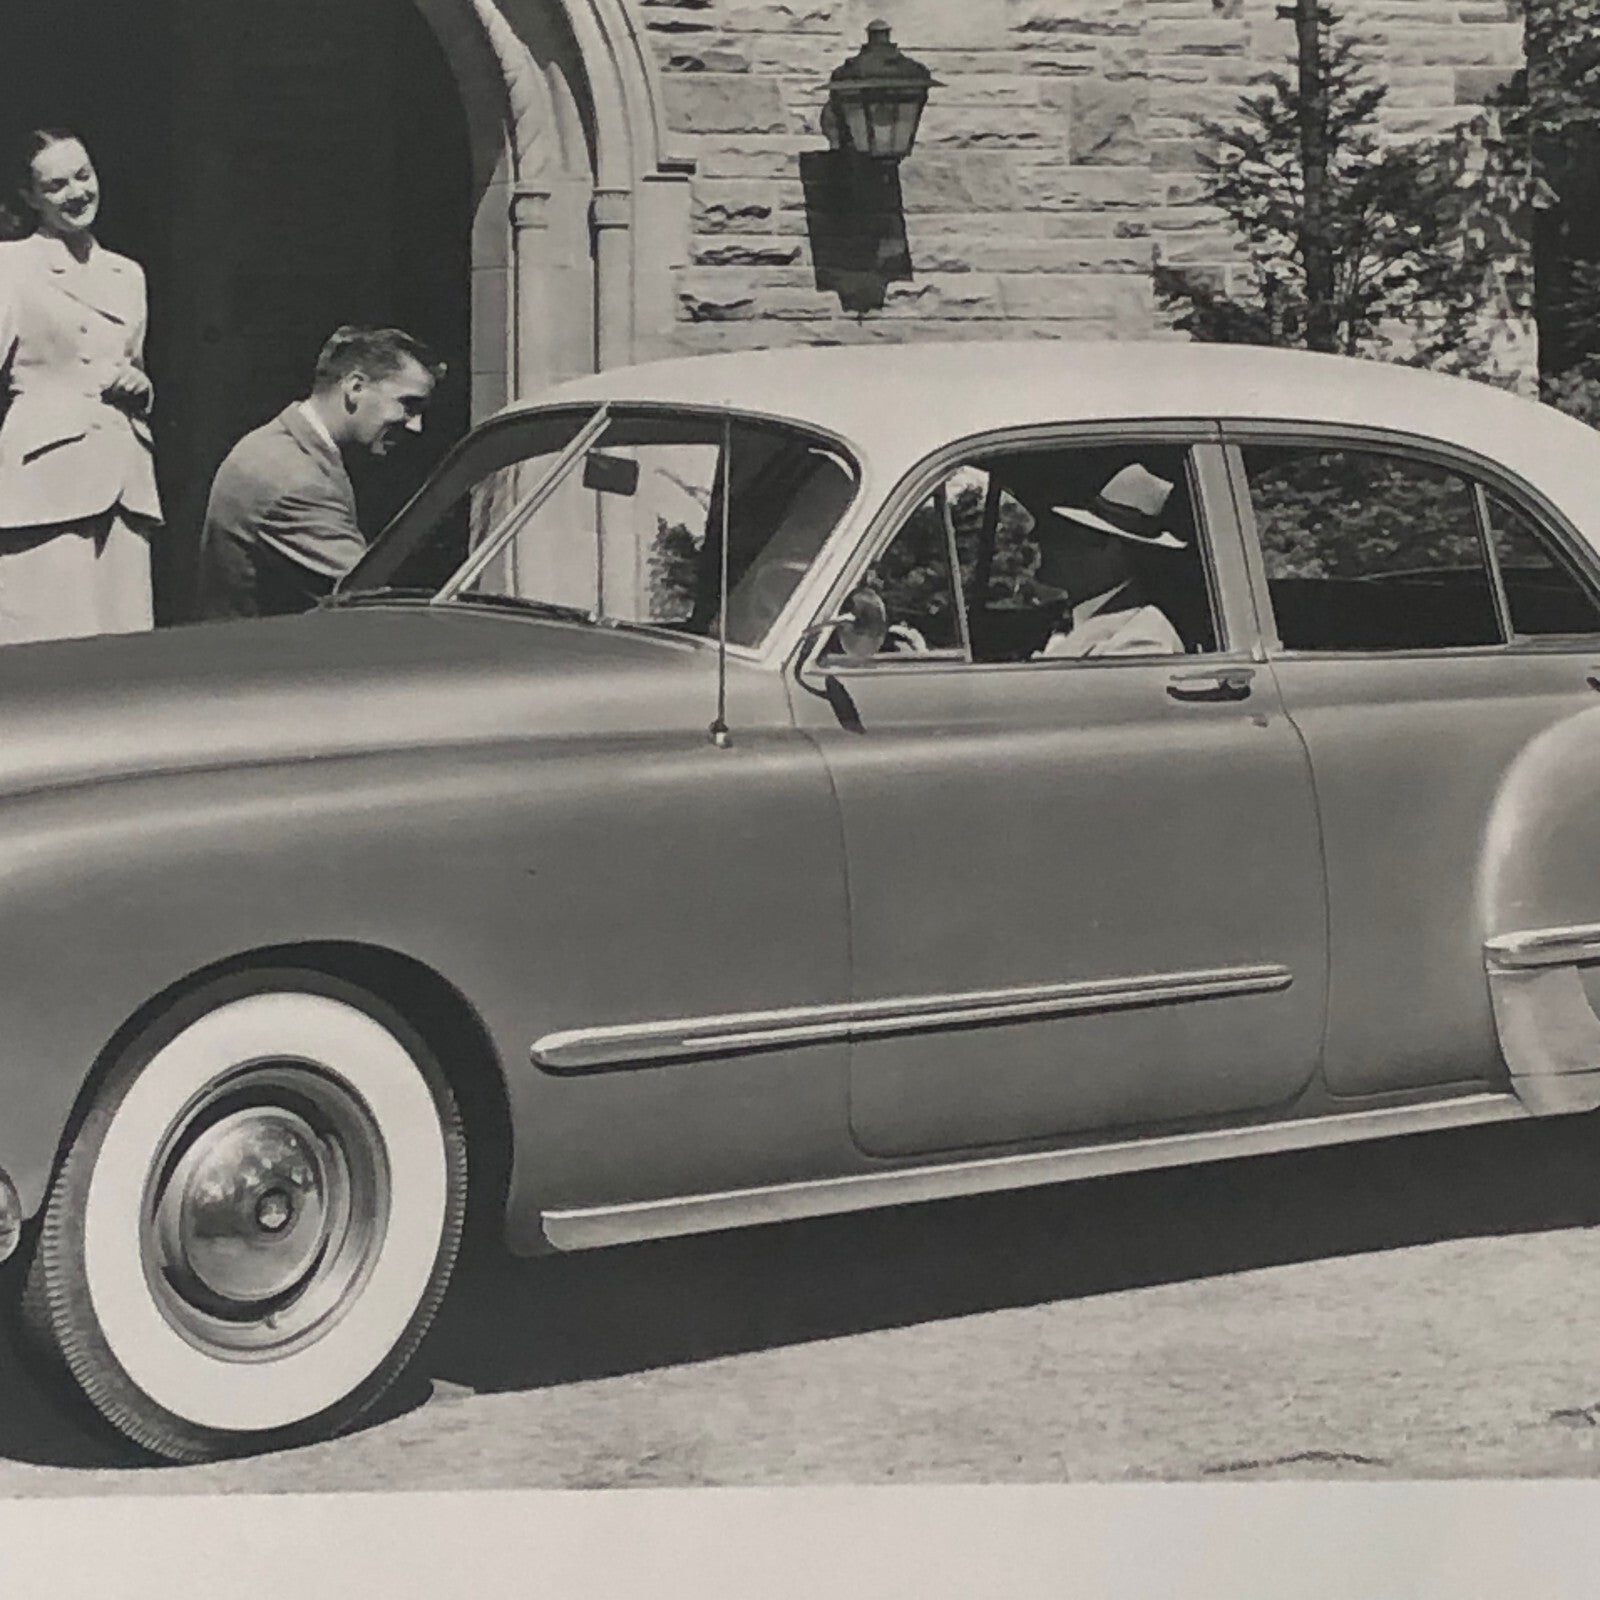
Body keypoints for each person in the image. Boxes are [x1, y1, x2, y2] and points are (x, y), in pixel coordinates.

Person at [0, 127, 162, 643]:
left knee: (125, 655)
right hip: (45, 485)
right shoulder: (10, 265)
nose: (77, 193)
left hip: (124, 484)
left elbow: (129, 363)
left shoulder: (127, 274)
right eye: (56, 186)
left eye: (83, 176)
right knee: (53, 651)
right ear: (29, 197)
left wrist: (141, 385)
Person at [197, 324, 443, 619]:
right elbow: (371, 605)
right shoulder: (295, 482)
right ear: (355, 387)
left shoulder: (283, 444)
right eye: (408, 404)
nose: (416, 426)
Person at [1025, 462, 1187, 658]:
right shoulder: (1068, 618)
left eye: (1066, 534)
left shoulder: (1143, 637)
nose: (1039, 539)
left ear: (1113, 549)